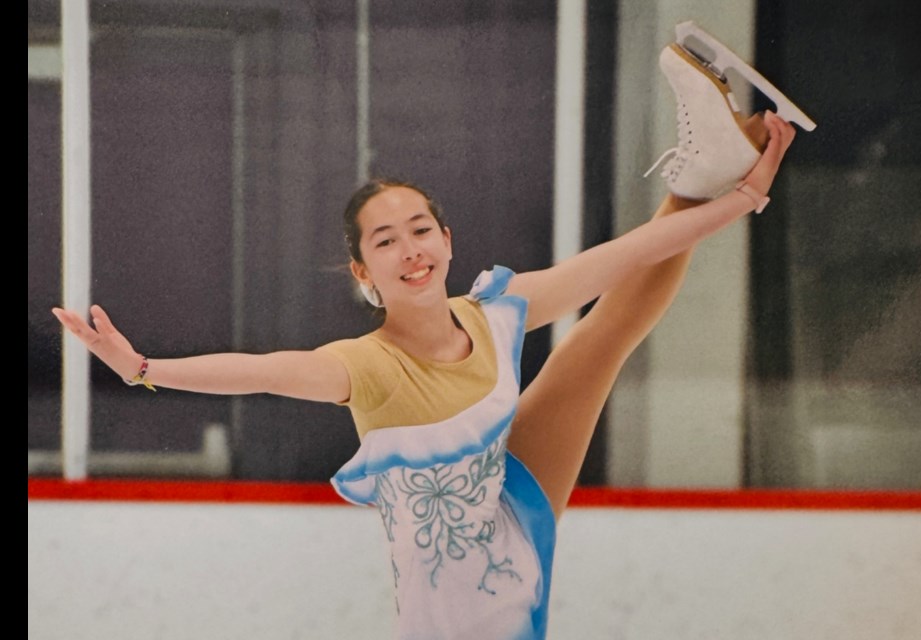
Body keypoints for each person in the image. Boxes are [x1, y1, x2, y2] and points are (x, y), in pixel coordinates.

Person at [53, 31, 800, 640]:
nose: (408, 249)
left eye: (419, 230)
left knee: (603, 336)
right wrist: (143, 366)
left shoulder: (495, 311)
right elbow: (262, 369)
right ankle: (707, 174)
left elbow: (626, 257)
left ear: (446, 239)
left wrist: (735, 196)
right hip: (465, 603)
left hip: (511, 495)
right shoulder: (367, 366)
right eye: (385, 242)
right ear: (364, 271)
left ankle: (699, 171)